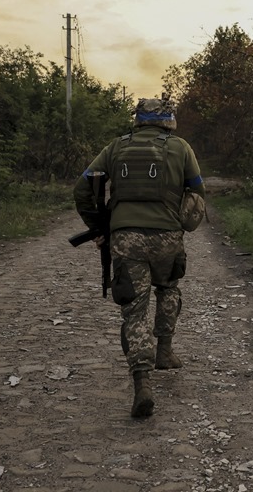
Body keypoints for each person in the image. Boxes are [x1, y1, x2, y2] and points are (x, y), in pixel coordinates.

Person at [73, 96, 206, 418]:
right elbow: (197, 191)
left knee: (134, 311)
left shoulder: (115, 147)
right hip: (167, 238)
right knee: (169, 288)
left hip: (125, 238)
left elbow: (81, 189)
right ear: (168, 120)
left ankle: (142, 383)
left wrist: (99, 227)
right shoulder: (181, 148)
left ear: (138, 119)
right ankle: (164, 352)